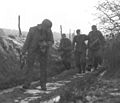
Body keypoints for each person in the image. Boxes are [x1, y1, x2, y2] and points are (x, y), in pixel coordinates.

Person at [21, 19, 54, 90]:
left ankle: (43, 85)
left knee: (43, 68)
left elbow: (51, 41)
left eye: (49, 28)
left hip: (43, 51)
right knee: (29, 67)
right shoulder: (32, 30)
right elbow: (27, 41)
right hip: (32, 50)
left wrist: (46, 44)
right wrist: (23, 51)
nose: (48, 29)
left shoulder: (48, 31)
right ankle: (27, 84)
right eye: (47, 27)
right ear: (43, 25)